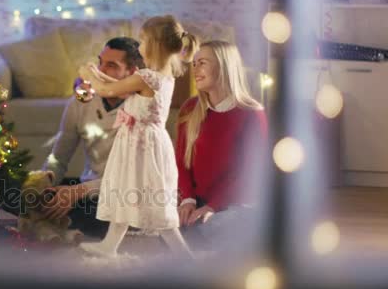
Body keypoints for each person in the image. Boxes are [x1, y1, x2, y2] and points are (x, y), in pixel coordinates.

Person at [78, 15, 198, 257]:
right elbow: (116, 85)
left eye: (142, 41)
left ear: (154, 45)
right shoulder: (161, 77)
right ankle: (109, 245)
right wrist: (99, 75)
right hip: (141, 142)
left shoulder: (147, 77)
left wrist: (87, 74)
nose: (139, 46)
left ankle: (183, 253)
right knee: (125, 189)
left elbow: (108, 90)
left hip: (140, 145)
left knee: (150, 198)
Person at [41, 37, 145, 238]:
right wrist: (44, 185)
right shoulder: (80, 102)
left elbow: (134, 179)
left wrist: (79, 191)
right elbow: (59, 157)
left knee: (110, 214)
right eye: (100, 62)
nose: (99, 70)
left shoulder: (143, 109)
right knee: (25, 197)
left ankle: (71, 224)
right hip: (88, 192)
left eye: (111, 66)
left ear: (132, 73)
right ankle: (65, 219)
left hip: (125, 195)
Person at [175, 41, 268, 251]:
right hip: (198, 200)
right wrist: (187, 200)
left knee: (203, 234)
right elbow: (181, 160)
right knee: (169, 232)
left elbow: (249, 173)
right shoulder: (190, 109)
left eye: (203, 63)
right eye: (194, 64)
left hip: (237, 203)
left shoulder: (252, 113)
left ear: (224, 67)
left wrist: (213, 207)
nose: (195, 70)